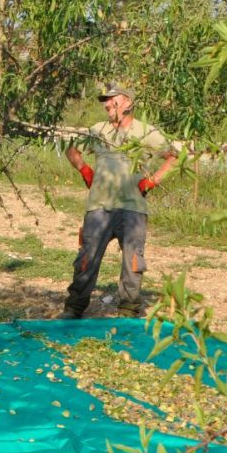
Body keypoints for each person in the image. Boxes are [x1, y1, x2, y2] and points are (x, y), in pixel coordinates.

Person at [62, 83, 179, 319]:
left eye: (111, 99)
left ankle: (128, 310)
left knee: (133, 262)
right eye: (104, 100)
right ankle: (74, 308)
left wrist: (152, 181)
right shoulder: (97, 130)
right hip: (98, 208)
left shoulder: (146, 132)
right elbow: (71, 149)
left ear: (127, 101)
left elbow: (174, 157)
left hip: (133, 209)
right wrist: (85, 169)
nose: (106, 104)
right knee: (86, 258)